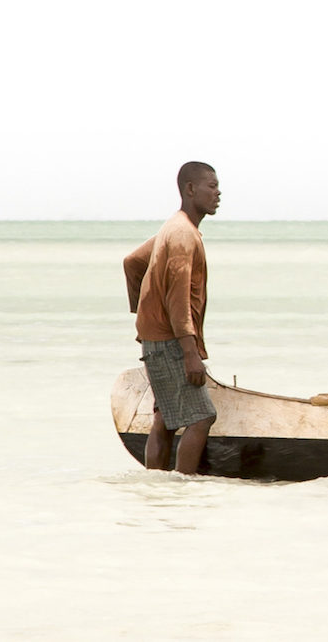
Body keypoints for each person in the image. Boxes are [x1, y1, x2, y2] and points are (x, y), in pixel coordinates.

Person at [123, 161, 221, 474]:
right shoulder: (183, 235)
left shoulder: (174, 227)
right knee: (201, 418)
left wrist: (147, 315)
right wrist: (190, 355)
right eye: (212, 186)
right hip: (171, 343)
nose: (218, 193)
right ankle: (184, 487)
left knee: (165, 418)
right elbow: (178, 299)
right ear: (190, 189)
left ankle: (159, 487)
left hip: (158, 338)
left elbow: (132, 263)